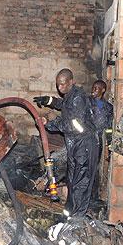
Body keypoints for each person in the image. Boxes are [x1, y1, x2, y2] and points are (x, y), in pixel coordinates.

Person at [33, 69, 99, 218]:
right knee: (72, 180)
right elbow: (64, 105)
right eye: (58, 85)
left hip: (85, 146)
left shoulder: (79, 98)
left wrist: (49, 123)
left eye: (63, 84)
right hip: (75, 144)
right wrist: (49, 100)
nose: (60, 88)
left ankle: (77, 219)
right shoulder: (72, 95)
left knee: (80, 183)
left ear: (71, 82)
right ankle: (69, 214)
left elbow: (73, 125)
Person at [89, 79, 113, 199]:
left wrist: (109, 144)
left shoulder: (108, 108)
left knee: (93, 168)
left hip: (97, 141)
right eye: (93, 88)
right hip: (85, 139)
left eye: (96, 88)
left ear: (103, 90)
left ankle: (93, 195)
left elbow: (109, 128)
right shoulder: (86, 103)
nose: (93, 91)